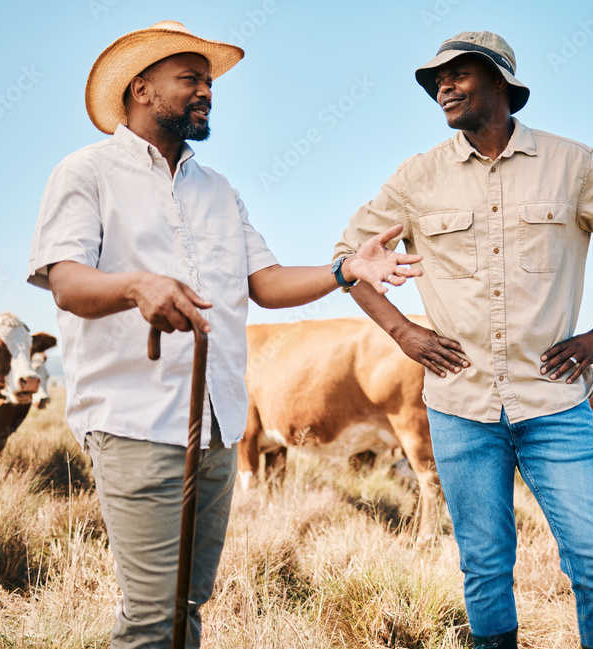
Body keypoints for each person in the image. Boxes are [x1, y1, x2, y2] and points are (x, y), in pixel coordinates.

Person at [26, 21, 421, 649]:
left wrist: (347, 270)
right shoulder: (85, 173)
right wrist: (136, 287)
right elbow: (67, 281)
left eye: (209, 81)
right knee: (151, 615)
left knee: (187, 605)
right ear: (142, 88)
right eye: (191, 79)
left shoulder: (219, 191)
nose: (207, 91)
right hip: (134, 420)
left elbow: (264, 282)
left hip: (214, 423)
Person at [333, 31, 593, 649]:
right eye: (436, 81)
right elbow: (349, 260)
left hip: (556, 403)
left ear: (500, 84)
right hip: (459, 408)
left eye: (457, 75)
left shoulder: (572, 164)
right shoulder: (417, 177)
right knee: (485, 570)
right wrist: (403, 332)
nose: (443, 87)